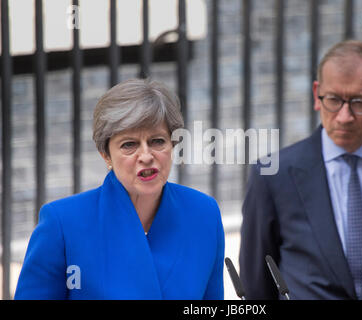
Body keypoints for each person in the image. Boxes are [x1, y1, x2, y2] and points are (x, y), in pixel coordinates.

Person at [239, 40, 362, 300]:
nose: (344, 117)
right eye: (334, 99)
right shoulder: (272, 175)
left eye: (359, 102)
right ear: (317, 95)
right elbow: (257, 283)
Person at [15, 79, 225, 299]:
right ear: (106, 155)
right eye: (129, 145)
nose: (146, 156)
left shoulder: (204, 213)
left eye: (157, 141)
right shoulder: (63, 224)